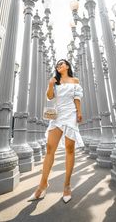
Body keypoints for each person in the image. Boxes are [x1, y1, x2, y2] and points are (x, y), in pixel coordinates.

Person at [28, 59, 84, 203]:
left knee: (69, 148)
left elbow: (77, 98)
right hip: (57, 115)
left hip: (70, 114)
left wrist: (79, 112)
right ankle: (42, 185)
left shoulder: (74, 80)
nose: (59, 66)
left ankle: (67, 186)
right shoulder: (55, 80)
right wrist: (50, 84)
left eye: (61, 63)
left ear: (67, 66)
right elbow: (50, 96)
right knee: (49, 148)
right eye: (57, 65)